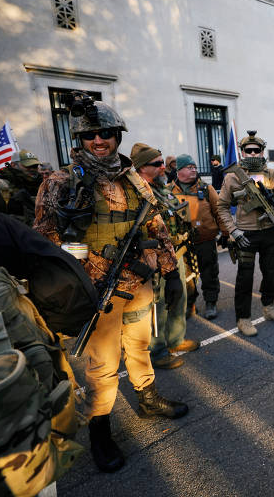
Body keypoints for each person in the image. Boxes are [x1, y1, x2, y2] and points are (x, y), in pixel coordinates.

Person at [34, 93, 188, 473]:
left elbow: (156, 224)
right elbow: (44, 237)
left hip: (138, 284)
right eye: (90, 136)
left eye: (105, 133)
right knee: (102, 364)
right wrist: (86, 266)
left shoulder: (133, 177)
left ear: (116, 136)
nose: (98, 141)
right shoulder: (62, 181)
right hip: (96, 291)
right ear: (79, 140)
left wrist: (170, 271)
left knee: (139, 345)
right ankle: (100, 430)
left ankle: (148, 397)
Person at [217, 130, 274, 336]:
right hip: (246, 235)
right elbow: (222, 206)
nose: (252, 154)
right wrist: (233, 230)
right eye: (248, 151)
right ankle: (243, 318)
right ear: (242, 153)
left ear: (262, 152)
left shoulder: (272, 175)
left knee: (270, 273)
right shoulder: (232, 177)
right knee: (245, 278)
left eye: (256, 150)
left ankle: (269, 307)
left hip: (269, 232)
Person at [132, 143, 200, 370]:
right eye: (157, 164)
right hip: (154, 257)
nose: (164, 167)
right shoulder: (138, 193)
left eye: (163, 163)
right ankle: (157, 350)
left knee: (178, 297)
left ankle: (176, 340)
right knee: (158, 306)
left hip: (176, 252)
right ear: (142, 168)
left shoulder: (163, 189)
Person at [171, 154, 227, 320]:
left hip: (205, 240)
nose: (194, 170)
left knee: (209, 272)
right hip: (181, 244)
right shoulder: (169, 192)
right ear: (179, 170)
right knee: (187, 276)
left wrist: (226, 233)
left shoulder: (206, 188)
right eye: (189, 167)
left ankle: (211, 302)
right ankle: (190, 303)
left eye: (194, 167)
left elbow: (219, 211)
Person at [0, 149, 42, 226]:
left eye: (35, 166)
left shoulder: (42, 186)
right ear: (13, 165)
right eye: (28, 166)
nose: (32, 169)